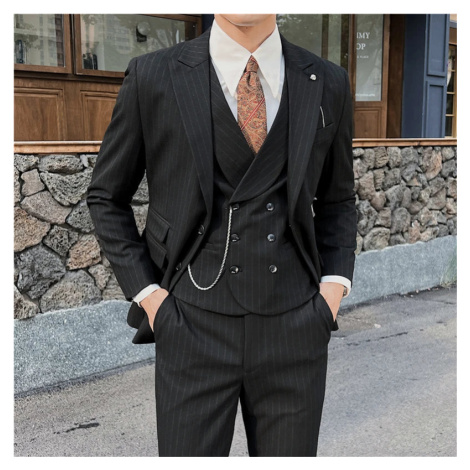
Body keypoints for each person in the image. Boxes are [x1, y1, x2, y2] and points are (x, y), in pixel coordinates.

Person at [87, 14, 357, 457]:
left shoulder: (327, 80)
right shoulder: (154, 75)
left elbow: (338, 199)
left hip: (296, 326)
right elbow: (106, 196)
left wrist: (332, 291)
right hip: (190, 323)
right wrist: (151, 297)